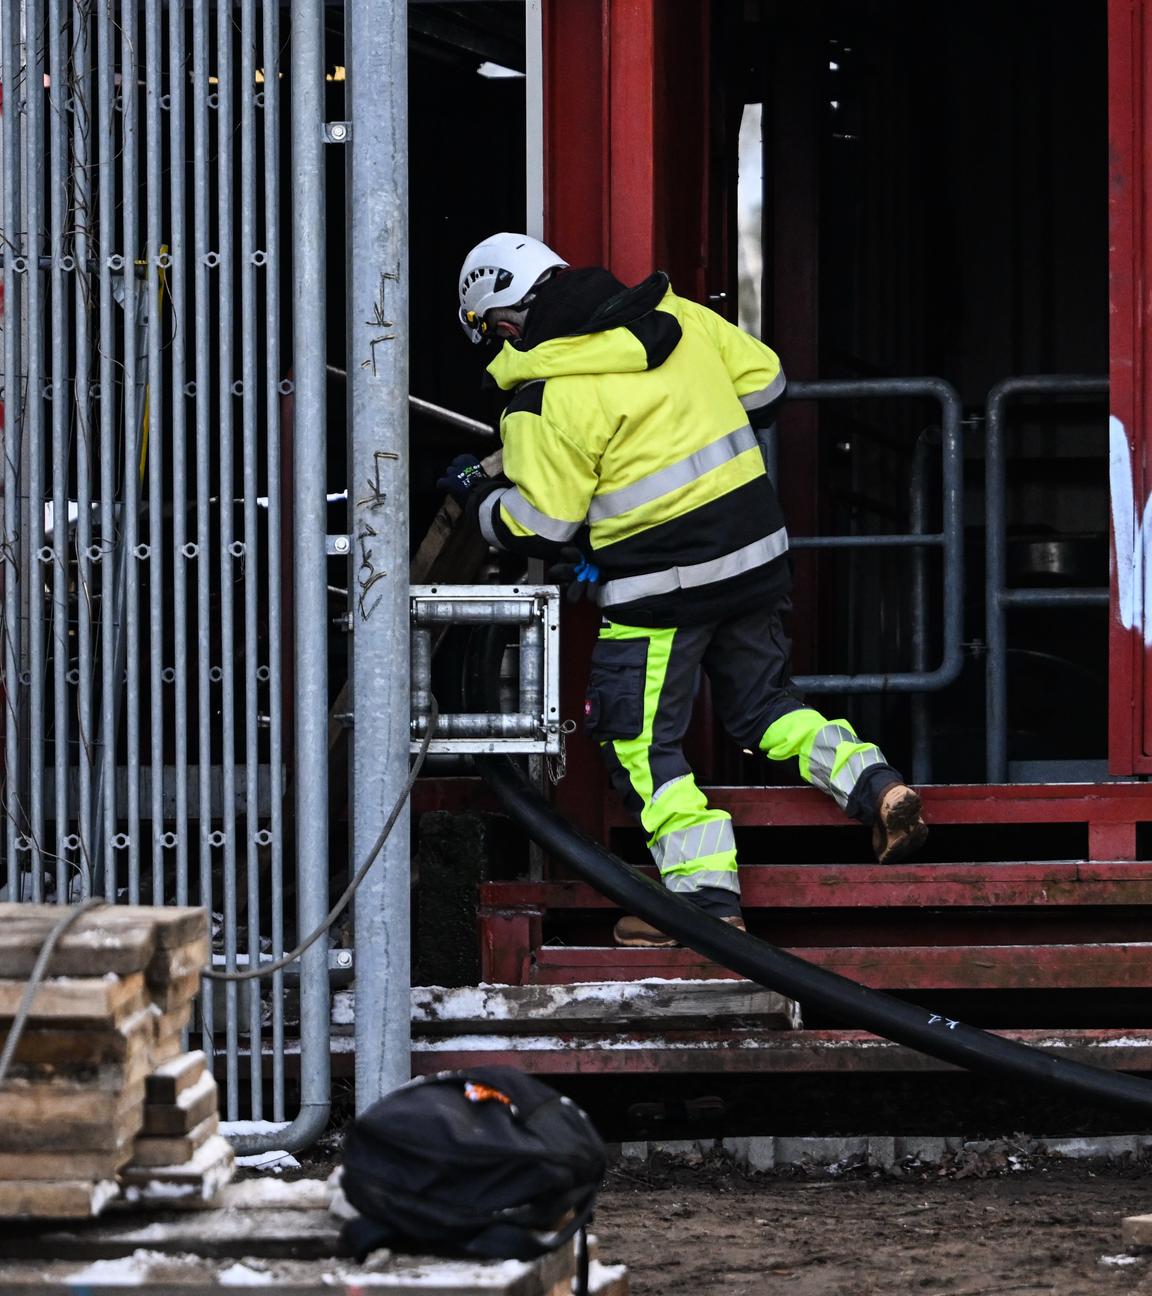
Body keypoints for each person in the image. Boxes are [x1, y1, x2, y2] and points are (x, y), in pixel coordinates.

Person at [440, 232, 928, 947]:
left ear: (505, 325)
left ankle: (704, 901)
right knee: (766, 708)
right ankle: (878, 784)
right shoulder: (678, 315)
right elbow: (767, 386)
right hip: (756, 559)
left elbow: (541, 527)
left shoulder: (544, 400)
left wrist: (477, 494)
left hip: (659, 591)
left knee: (638, 743)